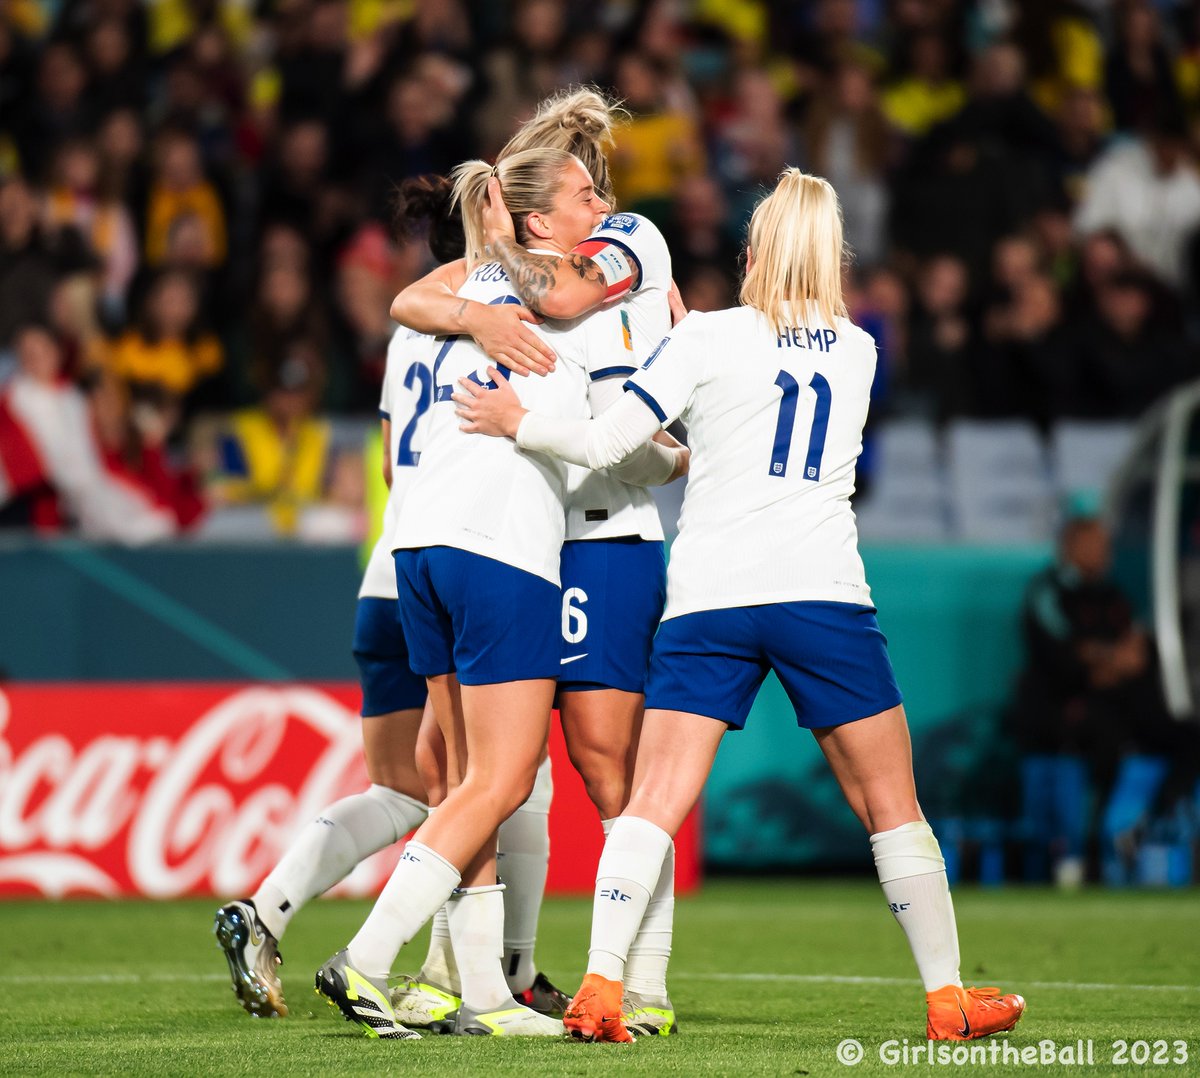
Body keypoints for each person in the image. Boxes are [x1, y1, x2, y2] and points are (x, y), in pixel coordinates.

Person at [454, 167, 1027, 1043]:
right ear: (829, 258)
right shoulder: (863, 350)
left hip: (711, 597)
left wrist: (516, 421)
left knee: (653, 801)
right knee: (890, 803)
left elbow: (614, 443)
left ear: (755, 253)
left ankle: (603, 988)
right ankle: (949, 999)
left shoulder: (711, 338)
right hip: (822, 596)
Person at [313, 146, 682, 1040]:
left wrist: (480, 300)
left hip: (424, 540)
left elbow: (412, 300)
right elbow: (546, 303)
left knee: (489, 772)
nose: (607, 202)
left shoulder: (489, 280)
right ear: (534, 220)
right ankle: (371, 960)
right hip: (505, 541)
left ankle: (491, 990)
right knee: (503, 774)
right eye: (584, 192)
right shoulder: (540, 284)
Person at [210, 176, 566, 1022]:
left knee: (413, 791)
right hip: (462, 559)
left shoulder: (412, 333)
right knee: (500, 779)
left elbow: (383, 463)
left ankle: (266, 912)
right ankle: (486, 973)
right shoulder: (507, 327)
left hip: (391, 572)